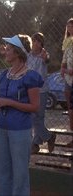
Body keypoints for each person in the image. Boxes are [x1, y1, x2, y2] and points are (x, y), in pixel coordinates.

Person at [0, 34, 43, 195]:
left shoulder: (30, 76)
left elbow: (35, 106)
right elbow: (4, 100)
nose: (5, 52)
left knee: (20, 172)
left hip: (20, 130)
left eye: (8, 49)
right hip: (2, 127)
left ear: (17, 53)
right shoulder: (5, 74)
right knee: (1, 169)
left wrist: (9, 103)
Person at [27, 32, 56, 153]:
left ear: (41, 44)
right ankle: (48, 137)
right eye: (34, 41)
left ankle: (36, 143)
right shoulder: (28, 55)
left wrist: (45, 58)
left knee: (38, 117)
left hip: (42, 90)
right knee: (34, 117)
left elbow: (47, 59)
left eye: (39, 42)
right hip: (30, 90)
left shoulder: (43, 54)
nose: (36, 44)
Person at [61, 18, 73, 147]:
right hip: (68, 80)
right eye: (68, 26)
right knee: (70, 110)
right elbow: (65, 57)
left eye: (71, 26)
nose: (69, 28)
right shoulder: (68, 42)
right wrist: (62, 67)